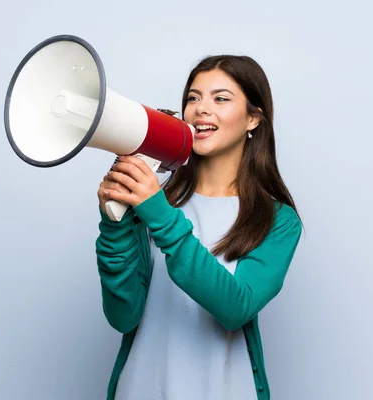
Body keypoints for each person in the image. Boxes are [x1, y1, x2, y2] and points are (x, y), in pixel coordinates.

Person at [94, 55, 303, 400]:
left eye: (220, 99)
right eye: (193, 98)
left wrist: (157, 213)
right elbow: (122, 316)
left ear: (253, 119)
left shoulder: (278, 221)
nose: (201, 109)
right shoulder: (151, 203)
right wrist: (115, 223)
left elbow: (235, 308)